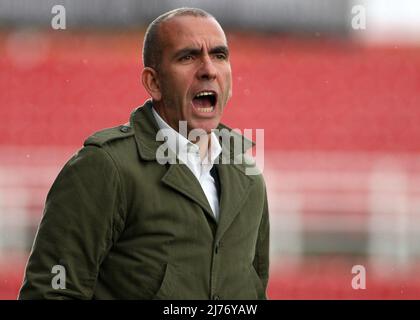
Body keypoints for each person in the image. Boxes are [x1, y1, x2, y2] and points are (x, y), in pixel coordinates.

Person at [18, 7, 270, 300]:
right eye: (187, 56)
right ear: (154, 82)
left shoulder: (247, 174)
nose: (208, 69)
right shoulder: (105, 166)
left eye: (219, 55)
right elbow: (50, 294)